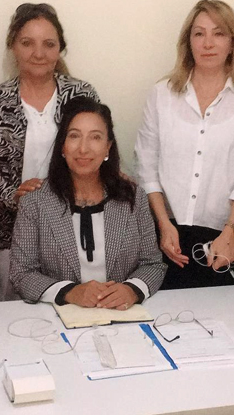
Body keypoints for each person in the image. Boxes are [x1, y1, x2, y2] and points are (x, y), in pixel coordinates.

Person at [134, 0, 234, 290]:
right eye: (199, 33)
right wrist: (163, 224)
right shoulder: (161, 94)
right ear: (188, 42)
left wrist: (231, 232)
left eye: (218, 33)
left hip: (221, 240)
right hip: (165, 234)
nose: (208, 43)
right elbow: (146, 166)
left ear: (233, 43)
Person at [0, 3, 99, 301]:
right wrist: (13, 195)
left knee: (70, 306)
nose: (38, 53)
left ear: (60, 48)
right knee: (11, 312)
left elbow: (97, 154)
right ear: (13, 46)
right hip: (11, 231)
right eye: (27, 43)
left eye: (48, 44)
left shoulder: (81, 95)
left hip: (72, 226)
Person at [10, 97, 166, 307]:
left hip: (122, 314)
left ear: (108, 147)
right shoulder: (35, 202)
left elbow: (153, 264)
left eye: (95, 137)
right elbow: (21, 274)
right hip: (57, 317)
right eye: (74, 136)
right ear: (62, 146)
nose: (83, 149)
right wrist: (69, 292)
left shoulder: (133, 197)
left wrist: (132, 290)